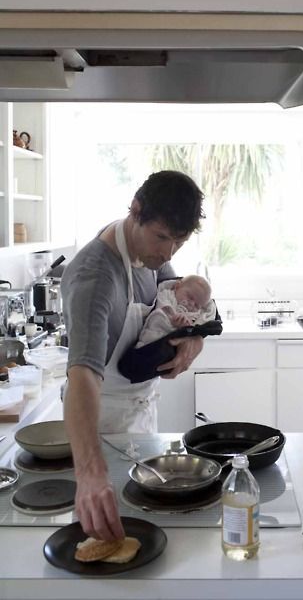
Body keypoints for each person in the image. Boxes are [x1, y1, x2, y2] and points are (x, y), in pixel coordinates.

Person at [61, 170, 205, 542]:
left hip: (138, 418)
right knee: (106, 537)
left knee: (141, 536)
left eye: (179, 241)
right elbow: (82, 375)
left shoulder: (151, 256)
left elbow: (178, 294)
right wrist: (89, 473)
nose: (168, 253)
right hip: (101, 430)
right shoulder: (96, 277)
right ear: (135, 211)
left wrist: (194, 338)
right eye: (161, 238)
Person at [135, 274, 216, 347]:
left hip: (172, 342)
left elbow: (194, 327)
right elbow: (162, 305)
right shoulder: (168, 294)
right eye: (190, 297)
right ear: (177, 287)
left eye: (197, 305)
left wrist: (186, 326)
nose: (191, 304)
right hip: (157, 330)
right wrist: (173, 317)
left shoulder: (196, 313)